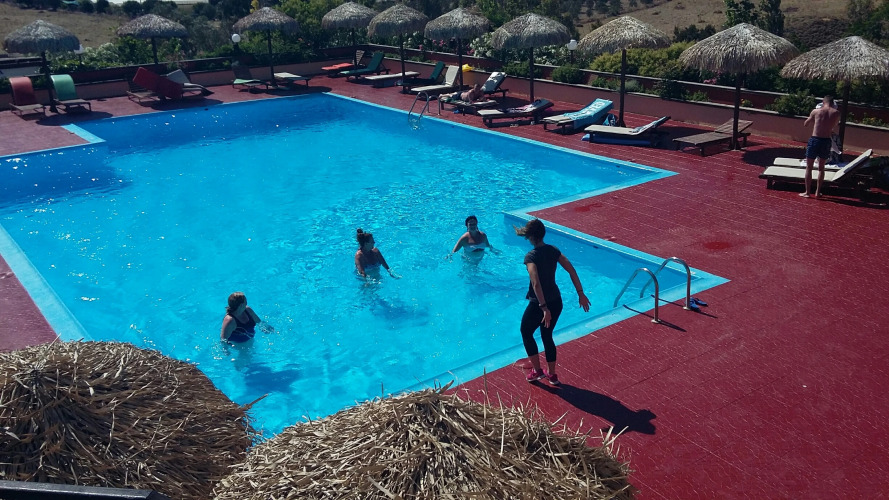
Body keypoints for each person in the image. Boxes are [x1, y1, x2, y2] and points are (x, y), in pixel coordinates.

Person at [515, 219, 590, 385]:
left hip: (539, 305)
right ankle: (552, 374)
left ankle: (537, 371)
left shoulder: (531, 257)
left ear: (531, 237)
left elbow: (536, 283)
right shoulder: (553, 250)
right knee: (547, 335)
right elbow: (571, 270)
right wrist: (580, 293)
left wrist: (543, 308)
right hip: (556, 302)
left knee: (526, 331)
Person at [801, 95, 841, 198]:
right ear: (832, 103)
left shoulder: (816, 111)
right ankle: (817, 192)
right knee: (821, 168)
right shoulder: (836, 113)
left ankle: (807, 192)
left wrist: (814, 119)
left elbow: (806, 124)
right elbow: (834, 125)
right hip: (826, 141)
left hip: (815, 139)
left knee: (809, 167)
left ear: (823, 102)